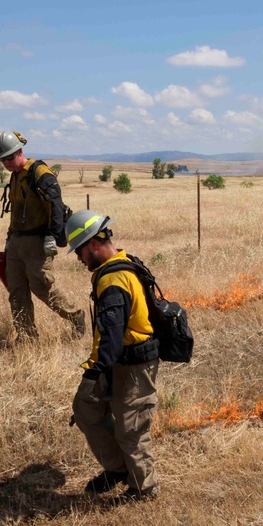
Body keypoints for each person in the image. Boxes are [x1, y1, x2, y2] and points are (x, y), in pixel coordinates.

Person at [66, 210, 159, 502]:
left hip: (131, 365)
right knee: (86, 410)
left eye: (79, 251)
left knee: (131, 428)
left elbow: (112, 337)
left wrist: (94, 374)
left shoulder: (113, 281)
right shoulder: (123, 261)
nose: (79, 259)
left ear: (93, 244)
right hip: (117, 361)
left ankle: (144, 489)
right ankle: (118, 469)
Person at [0, 130, 86, 340]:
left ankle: (75, 316)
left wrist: (52, 236)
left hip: (38, 242)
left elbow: (56, 207)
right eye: (2, 159)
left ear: (19, 151)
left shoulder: (40, 173)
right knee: (16, 293)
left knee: (42, 287)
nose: (5, 162)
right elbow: (16, 212)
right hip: (17, 242)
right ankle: (27, 337)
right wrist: (9, 240)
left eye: (8, 157)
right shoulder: (16, 176)